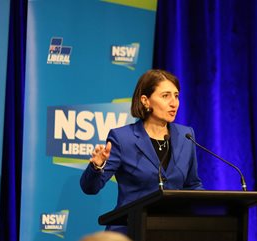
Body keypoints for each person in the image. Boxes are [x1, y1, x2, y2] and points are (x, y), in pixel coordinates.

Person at [80, 69, 203, 233]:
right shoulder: (123, 138)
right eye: (166, 96)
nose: (174, 103)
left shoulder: (186, 136)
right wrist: (96, 166)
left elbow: (192, 184)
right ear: (145, 101)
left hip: (173, 230)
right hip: (131, 229)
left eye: (176, 95)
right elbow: (90, 188)